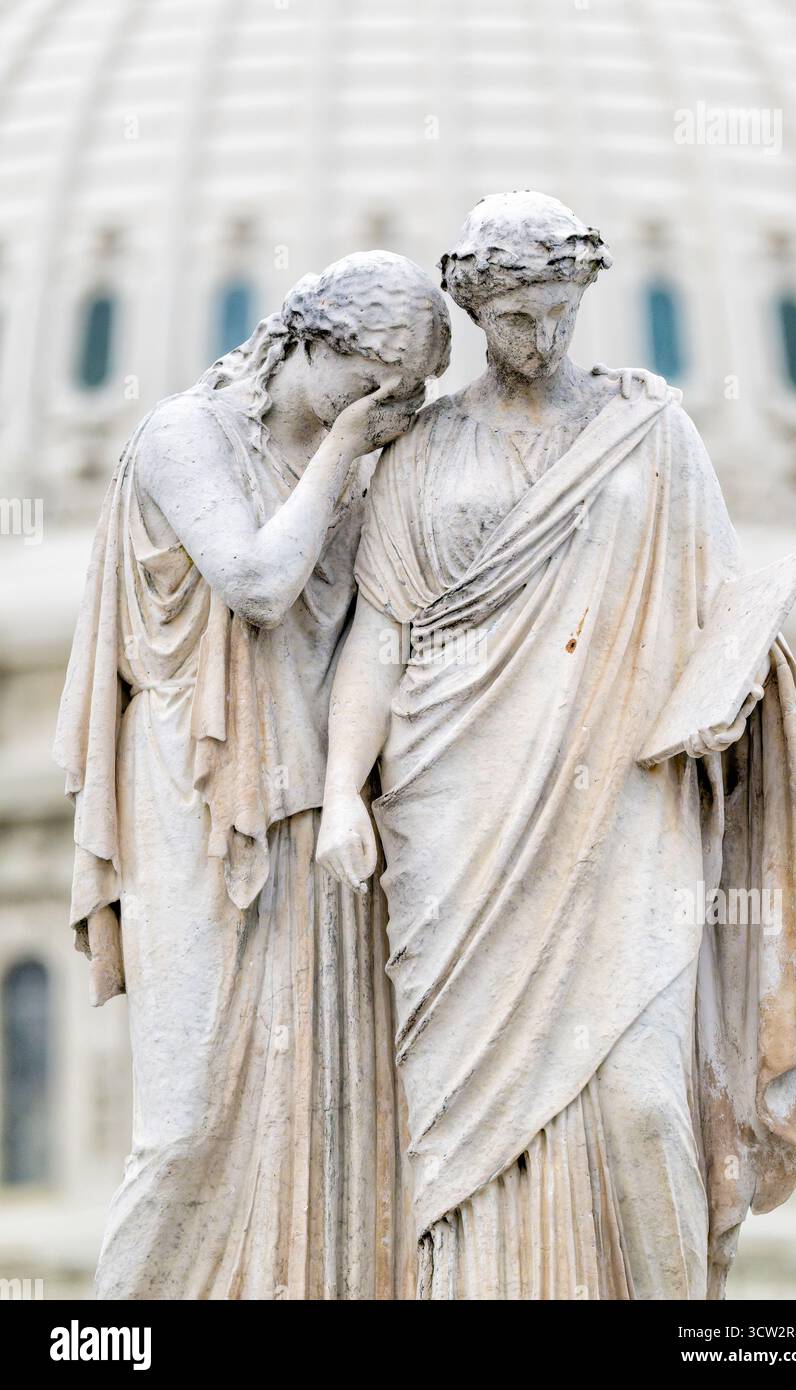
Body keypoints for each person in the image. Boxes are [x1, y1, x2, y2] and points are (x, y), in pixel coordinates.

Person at [317, 193, 796, 1300]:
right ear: (473, 311)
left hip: (626, 798)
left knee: (644, 1101)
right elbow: (378, 635)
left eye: (560, 310)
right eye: (517, 317)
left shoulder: (650, 432)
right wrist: (338, 795)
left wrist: (737, 685)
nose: (543, 336)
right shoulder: (424, 450)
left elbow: (720, 608)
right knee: (456, 1129)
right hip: (454, 813)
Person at [54, 251, 450, 1299]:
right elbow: (259, 583)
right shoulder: (188, 436)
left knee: (322, 1108)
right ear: (308, 341)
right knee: (186, 1123)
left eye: (405, 390)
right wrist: (349, 448)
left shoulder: (358, 467)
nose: (385, 405)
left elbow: (385, 628)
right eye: (372, 379)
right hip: (196, 782)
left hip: (317, 800)